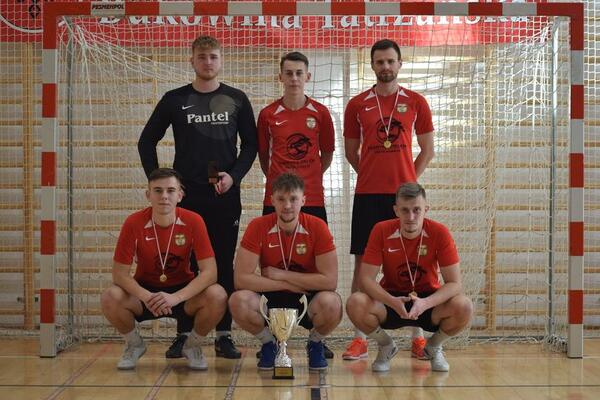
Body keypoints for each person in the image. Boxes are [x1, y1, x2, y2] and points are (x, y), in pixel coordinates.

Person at [138, 35, 257, 359]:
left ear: (221, 60)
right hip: (186, 198)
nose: (208, 62)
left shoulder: (237, 99)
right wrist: (161, 182)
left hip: (224, 196)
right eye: (202, 56)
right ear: (191, 60)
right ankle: (184, 334)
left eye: (213, 56)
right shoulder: (175, 99)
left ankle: (224, 335)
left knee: (223, 263)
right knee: (186, 266)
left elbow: (251, 145)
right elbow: (146, 141)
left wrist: (234, 176)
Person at [343, 39, 435, 360]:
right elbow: (351, 152)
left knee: (412, 264)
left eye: (390, 61)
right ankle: (360, 339)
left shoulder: (416, 102)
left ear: (400, 63)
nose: (385, 66)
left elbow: (428, 150)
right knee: (362, 266)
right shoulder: (357, 104)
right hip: (367, 196)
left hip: (404, 199)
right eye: (379, 61)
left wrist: (407, 182)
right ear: (372, 65)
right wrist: (371, 174)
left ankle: (418, 336)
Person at [100, 168, 227, 370]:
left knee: (218, 295)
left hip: (182, 294)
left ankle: (192, 345)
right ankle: (134, 344)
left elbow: (210, 272)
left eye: (170, 190)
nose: (164, 196)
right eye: (158, 190)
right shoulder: (133, 222)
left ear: (180, 195)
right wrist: (147, 296)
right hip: (145, 294)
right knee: (110, 296)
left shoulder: (194, 220)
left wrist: (175, 297)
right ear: (148, 195)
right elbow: (119, 274)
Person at [256, 51, 335, 359]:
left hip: (312, 199)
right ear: (280, 77)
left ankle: (317, 337)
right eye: (288, 73)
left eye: (299, 73)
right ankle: (274, 336)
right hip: (276, 202)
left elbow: (326, 154)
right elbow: (264, 157)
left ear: (308, 76)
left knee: (314, 267)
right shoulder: (267, 114)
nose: (293, 78)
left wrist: (304, 185)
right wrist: (283, 191)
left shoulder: (321, 113)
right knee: (272, 263)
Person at [345, 182, 473, 372]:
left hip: (428, 302)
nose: (411, 217)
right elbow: (365, 280)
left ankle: (434, 346)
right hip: (392, 300)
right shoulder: (381, 230)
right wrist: (392, 301)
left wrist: (425, 303)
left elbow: (455, 284)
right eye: (405, 210)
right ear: (396, 210)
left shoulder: (439, 232)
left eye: (416, 210)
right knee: (355, 302)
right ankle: (386, 346)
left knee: (464, 306)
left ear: (426, 209)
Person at [229, 173, 342, 371]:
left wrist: (283, 275)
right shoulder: (258, 226)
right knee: (238, 301)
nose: (287, 205)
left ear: (303, 200)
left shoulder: (317, 226)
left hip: (306, 298)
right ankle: (269, 344)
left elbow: (330, 281)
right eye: (281, 199)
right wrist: (283, 284)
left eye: (293, 199)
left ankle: (315, 343)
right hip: (271, 295)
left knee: (333, 303)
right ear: (272, 200)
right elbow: (241, 279)